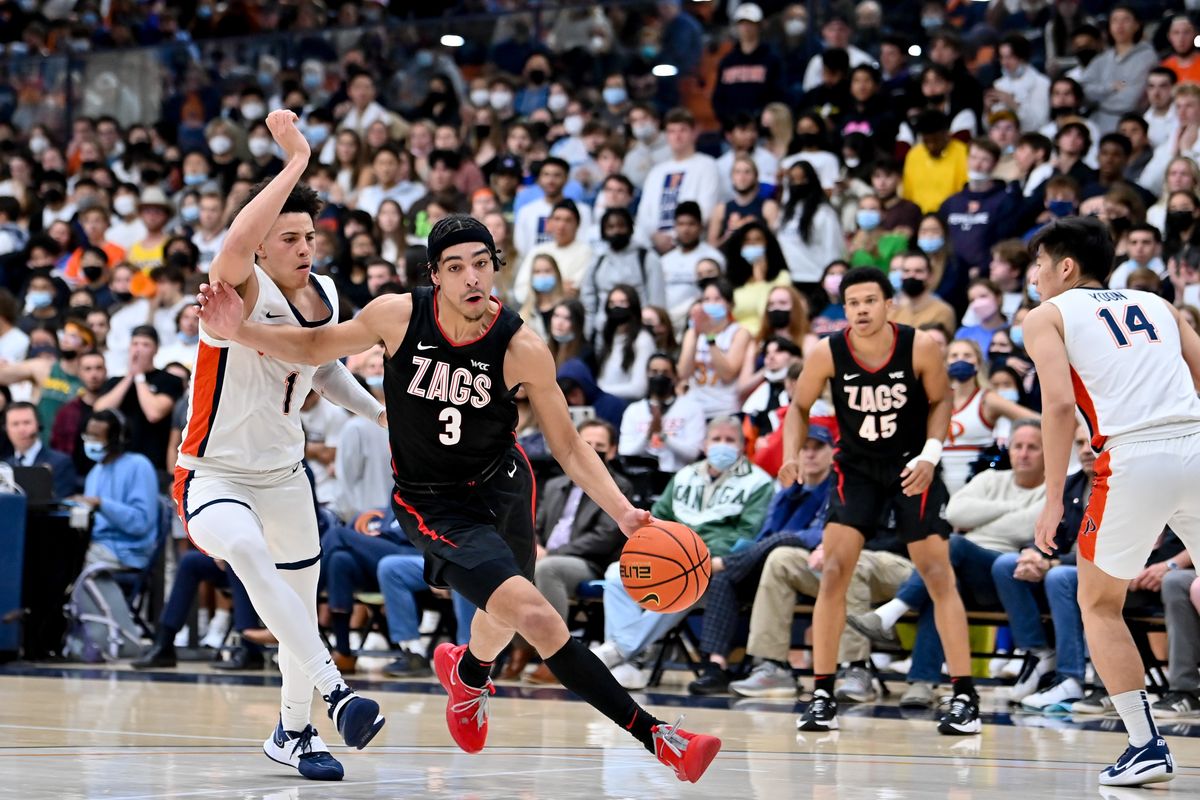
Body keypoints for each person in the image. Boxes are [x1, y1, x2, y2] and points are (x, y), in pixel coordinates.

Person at [196, 212, 723, 783]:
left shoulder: (522, 346)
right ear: (435, 275)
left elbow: (569, 447)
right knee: (536, 615)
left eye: (481, 264)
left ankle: (469, 676)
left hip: (503, 485)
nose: (471, 278)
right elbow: (319, 344)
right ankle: (661, 739)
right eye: (455, 267)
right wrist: (238, 330)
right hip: (433, 501)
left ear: (495, 269)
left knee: (506, 615)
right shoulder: (398, 315)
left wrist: (622, 511)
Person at [174, 111, 389, 781]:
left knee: (301, 597)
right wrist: (295, 161)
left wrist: (382, 414)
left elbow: (322, 371)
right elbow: (237, 238)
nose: (304, 247)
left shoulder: (323, 294)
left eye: (309, 236)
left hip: (286, 475)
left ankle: (293, 733)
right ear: (262, 250)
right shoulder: (235, 289)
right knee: (241, 549)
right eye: (288, 237)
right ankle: (339, 692)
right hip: (212, 474)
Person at [1024, 215, 1200, 786]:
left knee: (1098, 601)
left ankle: (1146, 744)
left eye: (1039, 264)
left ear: (1065, 267)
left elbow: (1056, 407)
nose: (1034, 277)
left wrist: (1053, 501)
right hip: (1197, 440)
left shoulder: (1047, 315)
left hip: (1133, 454)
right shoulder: (1158, 305)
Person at [778, 266, 979, 736]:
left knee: (936, 572)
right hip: (858, 469)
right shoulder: (829, 352)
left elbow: (941, 401)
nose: (862, 309)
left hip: (913, 464)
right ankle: (823, 692)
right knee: (832, 571)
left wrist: (932, 454)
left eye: (871, 300)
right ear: (843, 309)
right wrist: (790, 454)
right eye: (853, 302)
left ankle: (965, 694)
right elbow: (800, 407)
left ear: (890, 305)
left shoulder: (920, 346)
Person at [594, 416, 773, 690]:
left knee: (682, 579)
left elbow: (749, 535)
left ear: (741, 446)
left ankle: (619, 651)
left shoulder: (758, 483)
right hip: (673, 557)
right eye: (716, 439)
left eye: (730, 440)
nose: (722, 446)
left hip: (718, 566)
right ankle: (629, 664)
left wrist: (699, 556)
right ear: (704, 443)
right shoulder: (684, 476)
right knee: (615, 574)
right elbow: (658, 518)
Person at [506, 419, 630, 685]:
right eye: (588, 444)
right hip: (546, 555)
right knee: (509, 566)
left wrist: (552, 553)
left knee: (547, 569)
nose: (594, 449)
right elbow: (533, 524)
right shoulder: (554, 485)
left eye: (600, 446)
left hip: (588, 562)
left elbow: (604, 537)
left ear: (612, 451)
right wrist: (534, 546)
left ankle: (556, 656)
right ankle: (520, 647)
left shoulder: (619, 487)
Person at [92, 325, 184, 473]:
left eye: (145, 345)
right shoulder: (115, 381)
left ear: (156, 349)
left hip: (154, 462)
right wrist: (130, 376)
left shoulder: (169, 380)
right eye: (135, 344)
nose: (138, 349)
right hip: (117, 460)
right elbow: (100, 411)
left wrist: (139, 376)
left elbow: (154, 413)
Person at [618, 353, 705, 473]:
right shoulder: (633, 410)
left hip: (677, 475)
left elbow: (692, 453)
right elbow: (625, 451)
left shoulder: (691, 408)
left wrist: (664, 436)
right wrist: (648, 435)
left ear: (675, 376)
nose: (659, 376)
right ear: (646, 374)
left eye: (665, 372)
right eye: (654, 371)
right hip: (642, 477)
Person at [3, 401, 76, 501]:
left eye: (27, 422)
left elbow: (61, 504)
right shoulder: (5, 466)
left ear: (38, 424)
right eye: (15, 424)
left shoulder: (60, 463)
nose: (22, 429)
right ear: (6, 429)